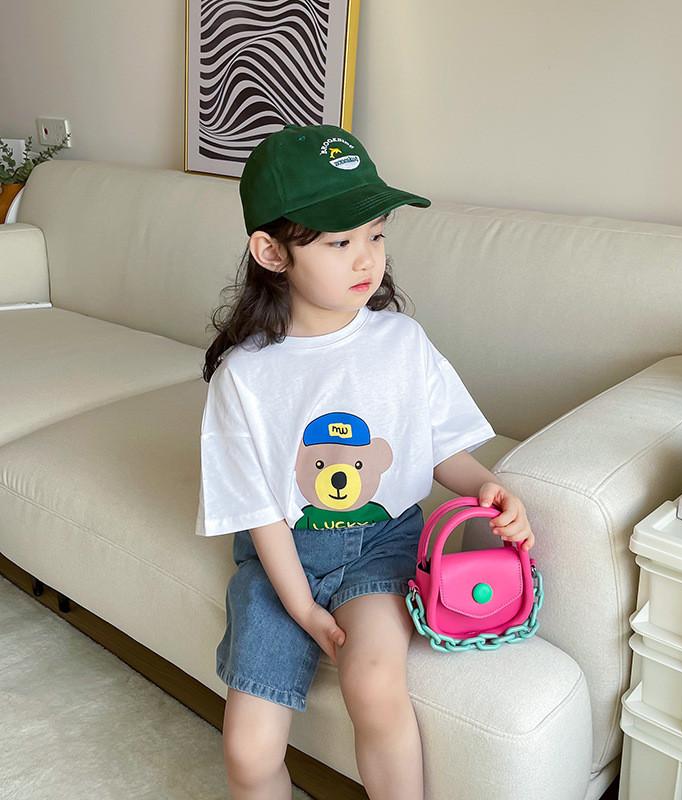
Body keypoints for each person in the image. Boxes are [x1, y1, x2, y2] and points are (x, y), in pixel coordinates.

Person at [195, 123, 535, 800]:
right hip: (279, 563)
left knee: (376, 687)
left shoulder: (403, 341)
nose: (366, 260)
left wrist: (489, 487)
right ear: (271, 251)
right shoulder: (245, 377)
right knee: (247, 751)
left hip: (383, 546)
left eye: (375, 236)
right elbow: (260, 513)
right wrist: (303, 608)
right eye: (339, 242)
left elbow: (441, 449)